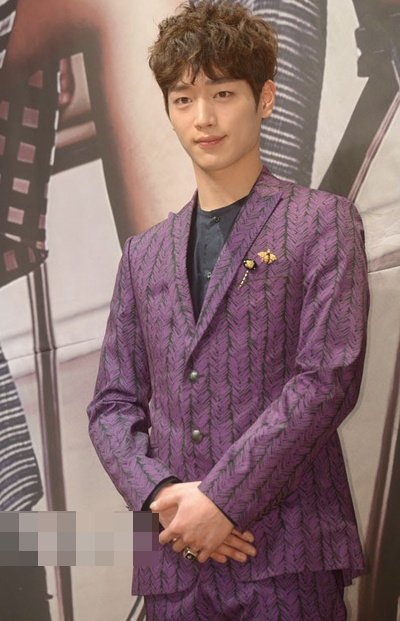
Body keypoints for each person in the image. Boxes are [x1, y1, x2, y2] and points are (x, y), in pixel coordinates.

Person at [87, 1, 370, 619]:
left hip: (285, 554)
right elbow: (111, 404)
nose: (204, 118)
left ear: (264, 98)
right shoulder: (142, 254)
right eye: (183, 99)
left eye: (222, 93)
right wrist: (162, 496)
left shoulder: (322, 222)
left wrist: (222, 500)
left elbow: (328, 378)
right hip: (172, 560)